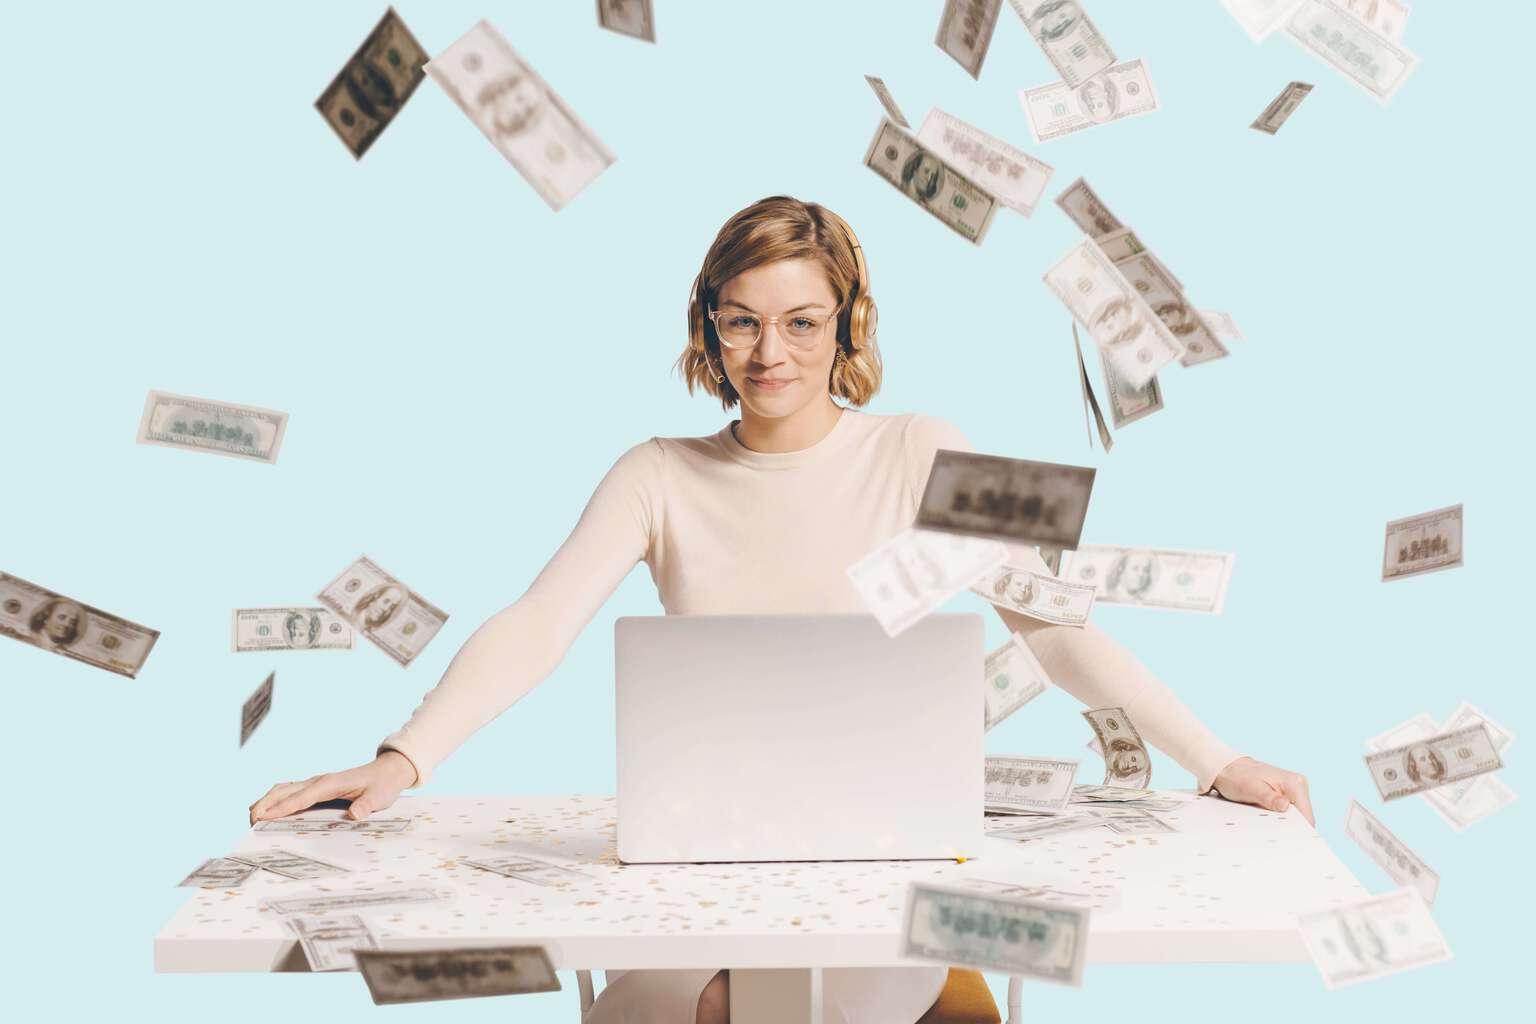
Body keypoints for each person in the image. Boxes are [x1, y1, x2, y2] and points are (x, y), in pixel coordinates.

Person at [249, 195, 1314, 1024]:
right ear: (707, 328)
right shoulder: (655, 471)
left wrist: (1217, 760)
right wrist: (402, 757)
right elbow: (538, 623)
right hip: (689, 873)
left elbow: (1059, 628)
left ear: (847, 319)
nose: (772, 355)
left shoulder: (925, 448)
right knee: (699, 1003)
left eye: (803, 322)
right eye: (743, 322)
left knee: (772, 1010)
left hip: (878, 878)